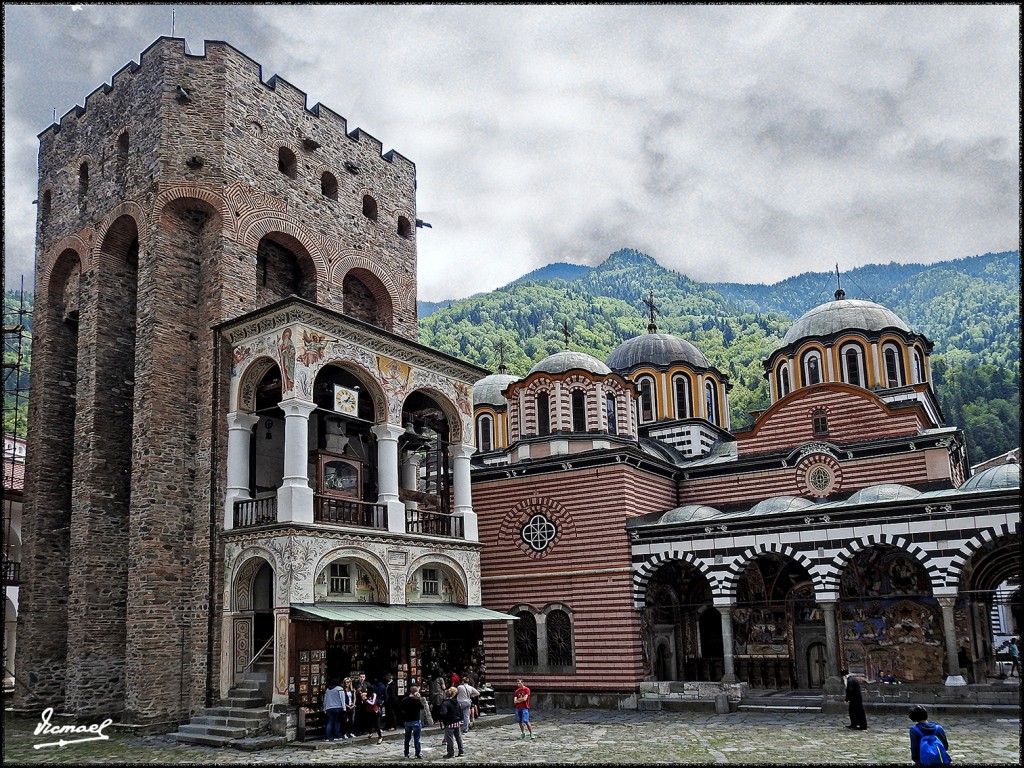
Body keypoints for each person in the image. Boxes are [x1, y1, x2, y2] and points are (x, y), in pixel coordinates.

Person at [398, 685, 427, 758]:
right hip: (415, 721)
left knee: (407, 739)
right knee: (416, 739)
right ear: (416, 692)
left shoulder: (404, 700)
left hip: (408, 721)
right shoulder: (416, 700)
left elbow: (401, 709)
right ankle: (417, 753)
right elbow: (422, 707)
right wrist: (419, 698)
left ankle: (406, 754)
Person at [438, 687, 464, 759]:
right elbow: (461, 712)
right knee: (458, 737)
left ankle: (450, 753)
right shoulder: (457, 702)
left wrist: (442, 718)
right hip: (457, 722)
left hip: (449, 722)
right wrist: (460, 719)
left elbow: (443, 713)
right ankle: (461, 751)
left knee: (449, 738)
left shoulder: (445, 703)